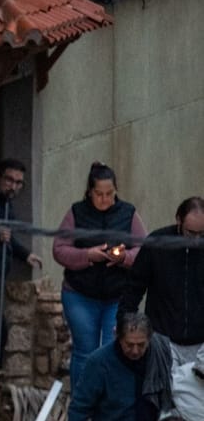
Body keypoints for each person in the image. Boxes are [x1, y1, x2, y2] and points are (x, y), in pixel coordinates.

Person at [52, 162, 147, 387]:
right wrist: (88, 255)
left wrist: (124, 258)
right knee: (85, 351)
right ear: (89, 192)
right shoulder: (76, 213)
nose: (105, 199)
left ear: (116, 191)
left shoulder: (128, 213)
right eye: (99, 194)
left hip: (117, 295)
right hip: (80, 294)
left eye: (109, 194)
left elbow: (144, 249)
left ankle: (108, 403)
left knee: (112, 349)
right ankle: (82, 404)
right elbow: (59, 249)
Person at [120, 197, 204, 363]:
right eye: (190, 233)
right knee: (162, 388)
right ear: (179, 220)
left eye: (202, 234)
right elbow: (134, 287)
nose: (196, 240)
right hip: (163, 339)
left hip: (201, 343)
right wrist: (123, 322)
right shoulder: (157, 244)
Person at [0, 159, 43, 368]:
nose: (13, 187)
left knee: (1, 331)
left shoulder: (6, 204)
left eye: (19, 183)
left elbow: (8, 236)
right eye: (9, 180)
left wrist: (25, 254)